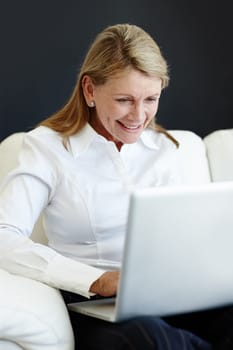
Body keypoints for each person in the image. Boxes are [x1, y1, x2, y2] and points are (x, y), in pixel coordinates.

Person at [0, 23, 231, 350]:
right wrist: (95, 279)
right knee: (150, 339)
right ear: (90, 90)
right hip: (93, 307)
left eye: (151, 98)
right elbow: (4, 237)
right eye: (124, 100)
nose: (139, 116)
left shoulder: (168, 149)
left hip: (170, 298)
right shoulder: (46, 149)